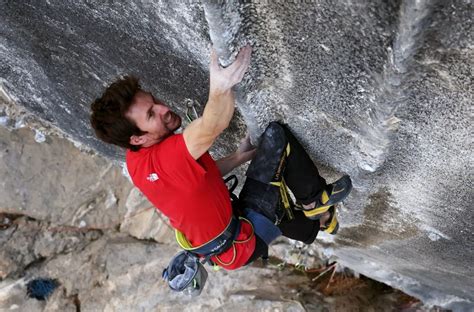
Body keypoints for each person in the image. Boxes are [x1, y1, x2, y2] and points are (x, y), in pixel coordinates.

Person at [90, 45, 351, 271]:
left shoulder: (137, 160)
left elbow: (197, 177)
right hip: (242, 240)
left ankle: (320, 226)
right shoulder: (167, 159)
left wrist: (238, 157)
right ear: (137, 138)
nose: (164, 108)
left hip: (227, 246)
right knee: (275, 139)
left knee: (271, 201)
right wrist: (221, 87)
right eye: (151, 114)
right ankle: (315, 201)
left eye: (154, 101)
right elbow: (212, 125)